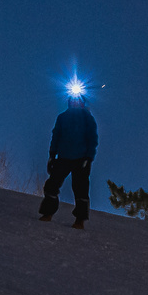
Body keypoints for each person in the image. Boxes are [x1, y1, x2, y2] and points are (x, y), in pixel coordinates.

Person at [40, 92, 98, 228]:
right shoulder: (62, 117)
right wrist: (52, 155)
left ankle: (80, 220)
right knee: (52, 185)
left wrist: (89, 158)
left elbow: (92, 139)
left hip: (81, 159)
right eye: (73, 100)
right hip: (63, 157)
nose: (75, 102)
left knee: (81, 189)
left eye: (78, 100)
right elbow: (55, 136)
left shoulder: (87, 118)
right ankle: (47, 213)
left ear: (82, 103)